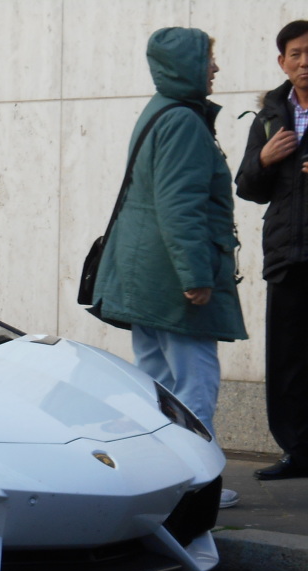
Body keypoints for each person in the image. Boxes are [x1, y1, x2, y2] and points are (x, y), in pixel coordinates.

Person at [92, 27, 246, 508]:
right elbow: (180, 206)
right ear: (186, 65)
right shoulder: (183, 121)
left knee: (155, 385)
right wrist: (196, 276)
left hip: (145, 278)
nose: (216, 68)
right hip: (171, 280)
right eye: (209, 59)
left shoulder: (161, 110)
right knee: (193, 382)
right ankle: (197, 485)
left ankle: (161, 481)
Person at [235, 20, 308, 481]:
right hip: (287, 256)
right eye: (296, 54)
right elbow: (247, 186)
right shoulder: (269, 116)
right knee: (288, 363)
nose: (305, 63)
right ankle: (298, 452)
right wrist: (264, 160)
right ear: (282, 62)